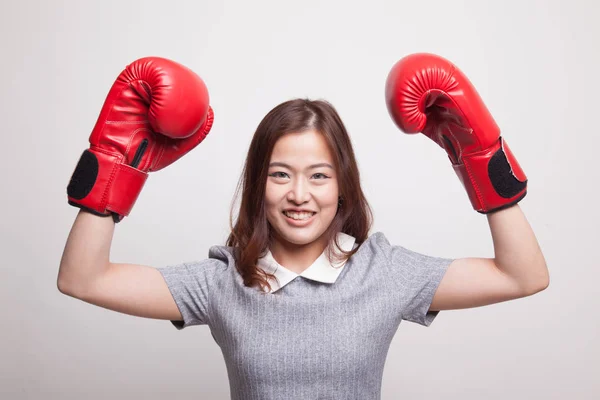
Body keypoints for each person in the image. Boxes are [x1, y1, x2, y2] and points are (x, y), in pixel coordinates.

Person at [58, 53, 549, 400]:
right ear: (259, 185)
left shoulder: (383, 271)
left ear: (342, 187)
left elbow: (522, 275)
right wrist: (114, 167)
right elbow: (83, 279)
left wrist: (481, 159)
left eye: (319, 176)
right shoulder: (221, 280)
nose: (299, 195)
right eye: (280, 175)